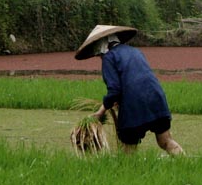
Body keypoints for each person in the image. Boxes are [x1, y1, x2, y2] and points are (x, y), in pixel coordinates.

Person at [75, 25, 183, 155]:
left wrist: (99, 113)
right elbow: (137, 79)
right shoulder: (135, 51)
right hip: (156, 98)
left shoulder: (109, 58)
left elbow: (114, 90)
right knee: (165, 141)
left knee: (128, 148)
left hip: (134, 105)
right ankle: (187, 165)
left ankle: (129, 172)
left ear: (101, 46)